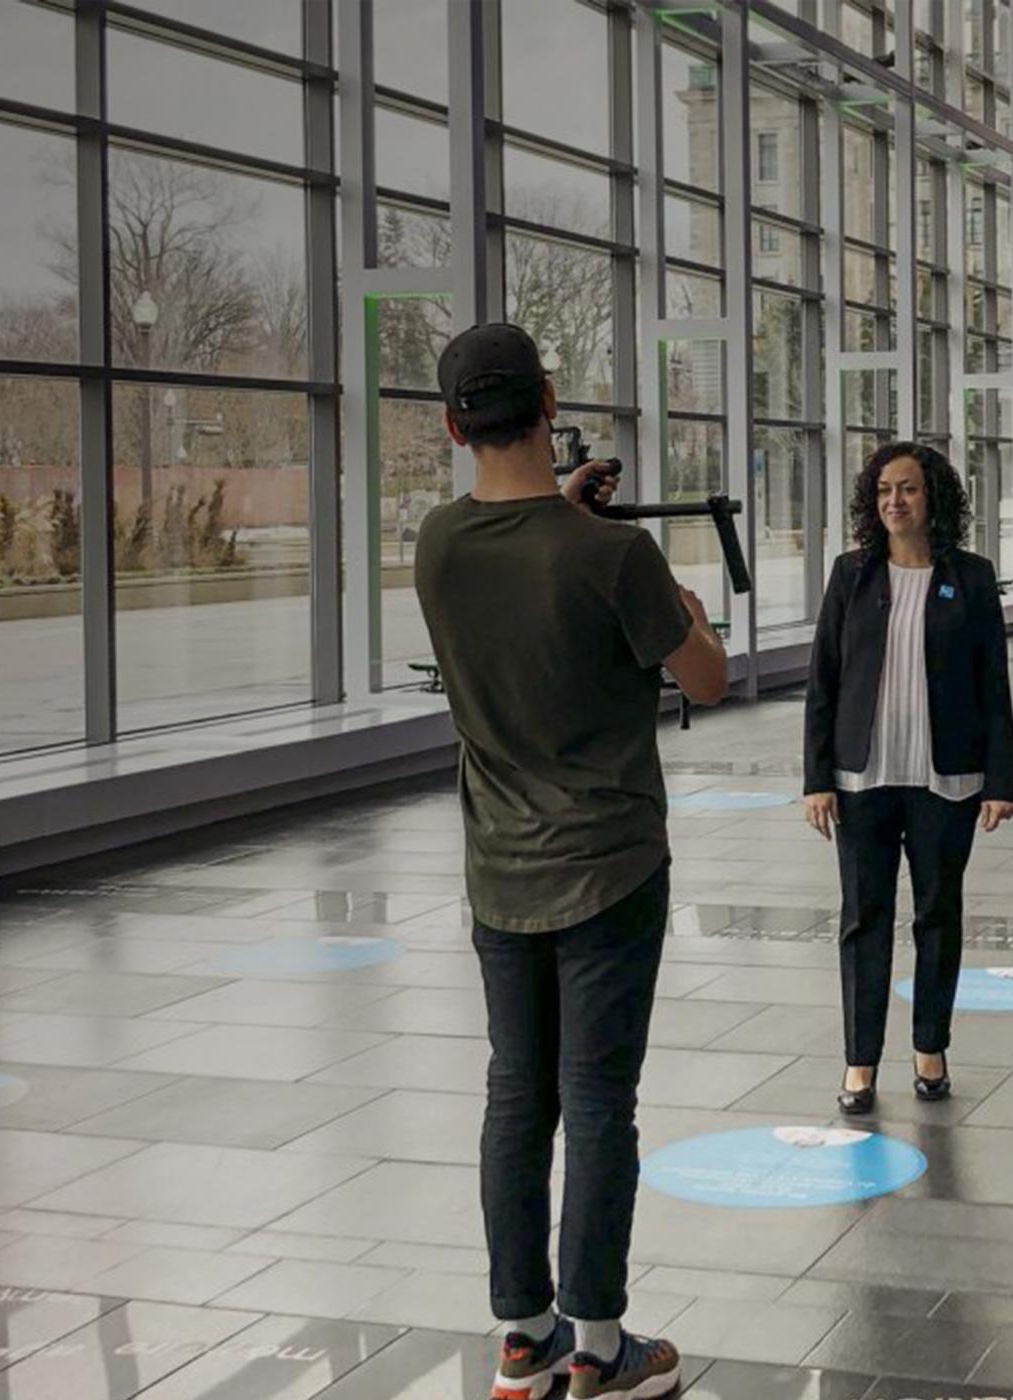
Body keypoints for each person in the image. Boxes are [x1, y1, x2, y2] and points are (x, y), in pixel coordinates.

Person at [414, 323, 727, 1400]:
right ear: (550, 401)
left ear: (455, 425)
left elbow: (524, 569)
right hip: (609, 868)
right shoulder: (613, 556)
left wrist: (568, 515)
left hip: (498, 872)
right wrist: (681, 608)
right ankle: (601, 1345)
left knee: (516, 1093)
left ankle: (522, 1333)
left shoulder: (437, 545)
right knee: (598, 1098)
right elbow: (710, 677)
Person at [802, 441, 1013, 1116]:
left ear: (935, 498)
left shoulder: (973, 578)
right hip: (861, 777)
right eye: (885, 490)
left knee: (936, 914)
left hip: (946, 780)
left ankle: (930, 1047)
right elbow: (823, 683)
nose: (896, 501)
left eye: (910, 489)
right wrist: (816, 779)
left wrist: (1001, 779)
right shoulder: (851, 575)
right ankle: (860, 1062)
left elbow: (993, 686)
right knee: (863, 918)